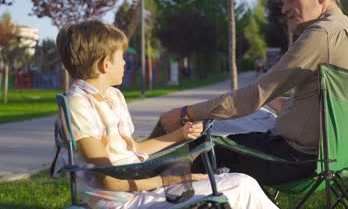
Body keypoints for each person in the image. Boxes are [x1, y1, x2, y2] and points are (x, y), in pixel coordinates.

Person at [158, 0, 348, 185]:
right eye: (284, 2)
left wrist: (186, 112)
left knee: (200, 140)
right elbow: (326, 107)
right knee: (251, 117)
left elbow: (253, 96)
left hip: (297, 161)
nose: (284, 9)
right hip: (340, 159)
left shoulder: (321, 34)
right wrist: (278, 102)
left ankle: (146, 179)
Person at [55, 20, 278, 209]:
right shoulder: (78, 104)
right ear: (105, 64)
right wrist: (172, 180)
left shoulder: (113, 97)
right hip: (122, 201)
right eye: (121, 56)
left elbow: (136, 150)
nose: (125, 62)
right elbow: (107, 178)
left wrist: (181, 135)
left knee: (239, 183)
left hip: (138, 186)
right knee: (241, 185)